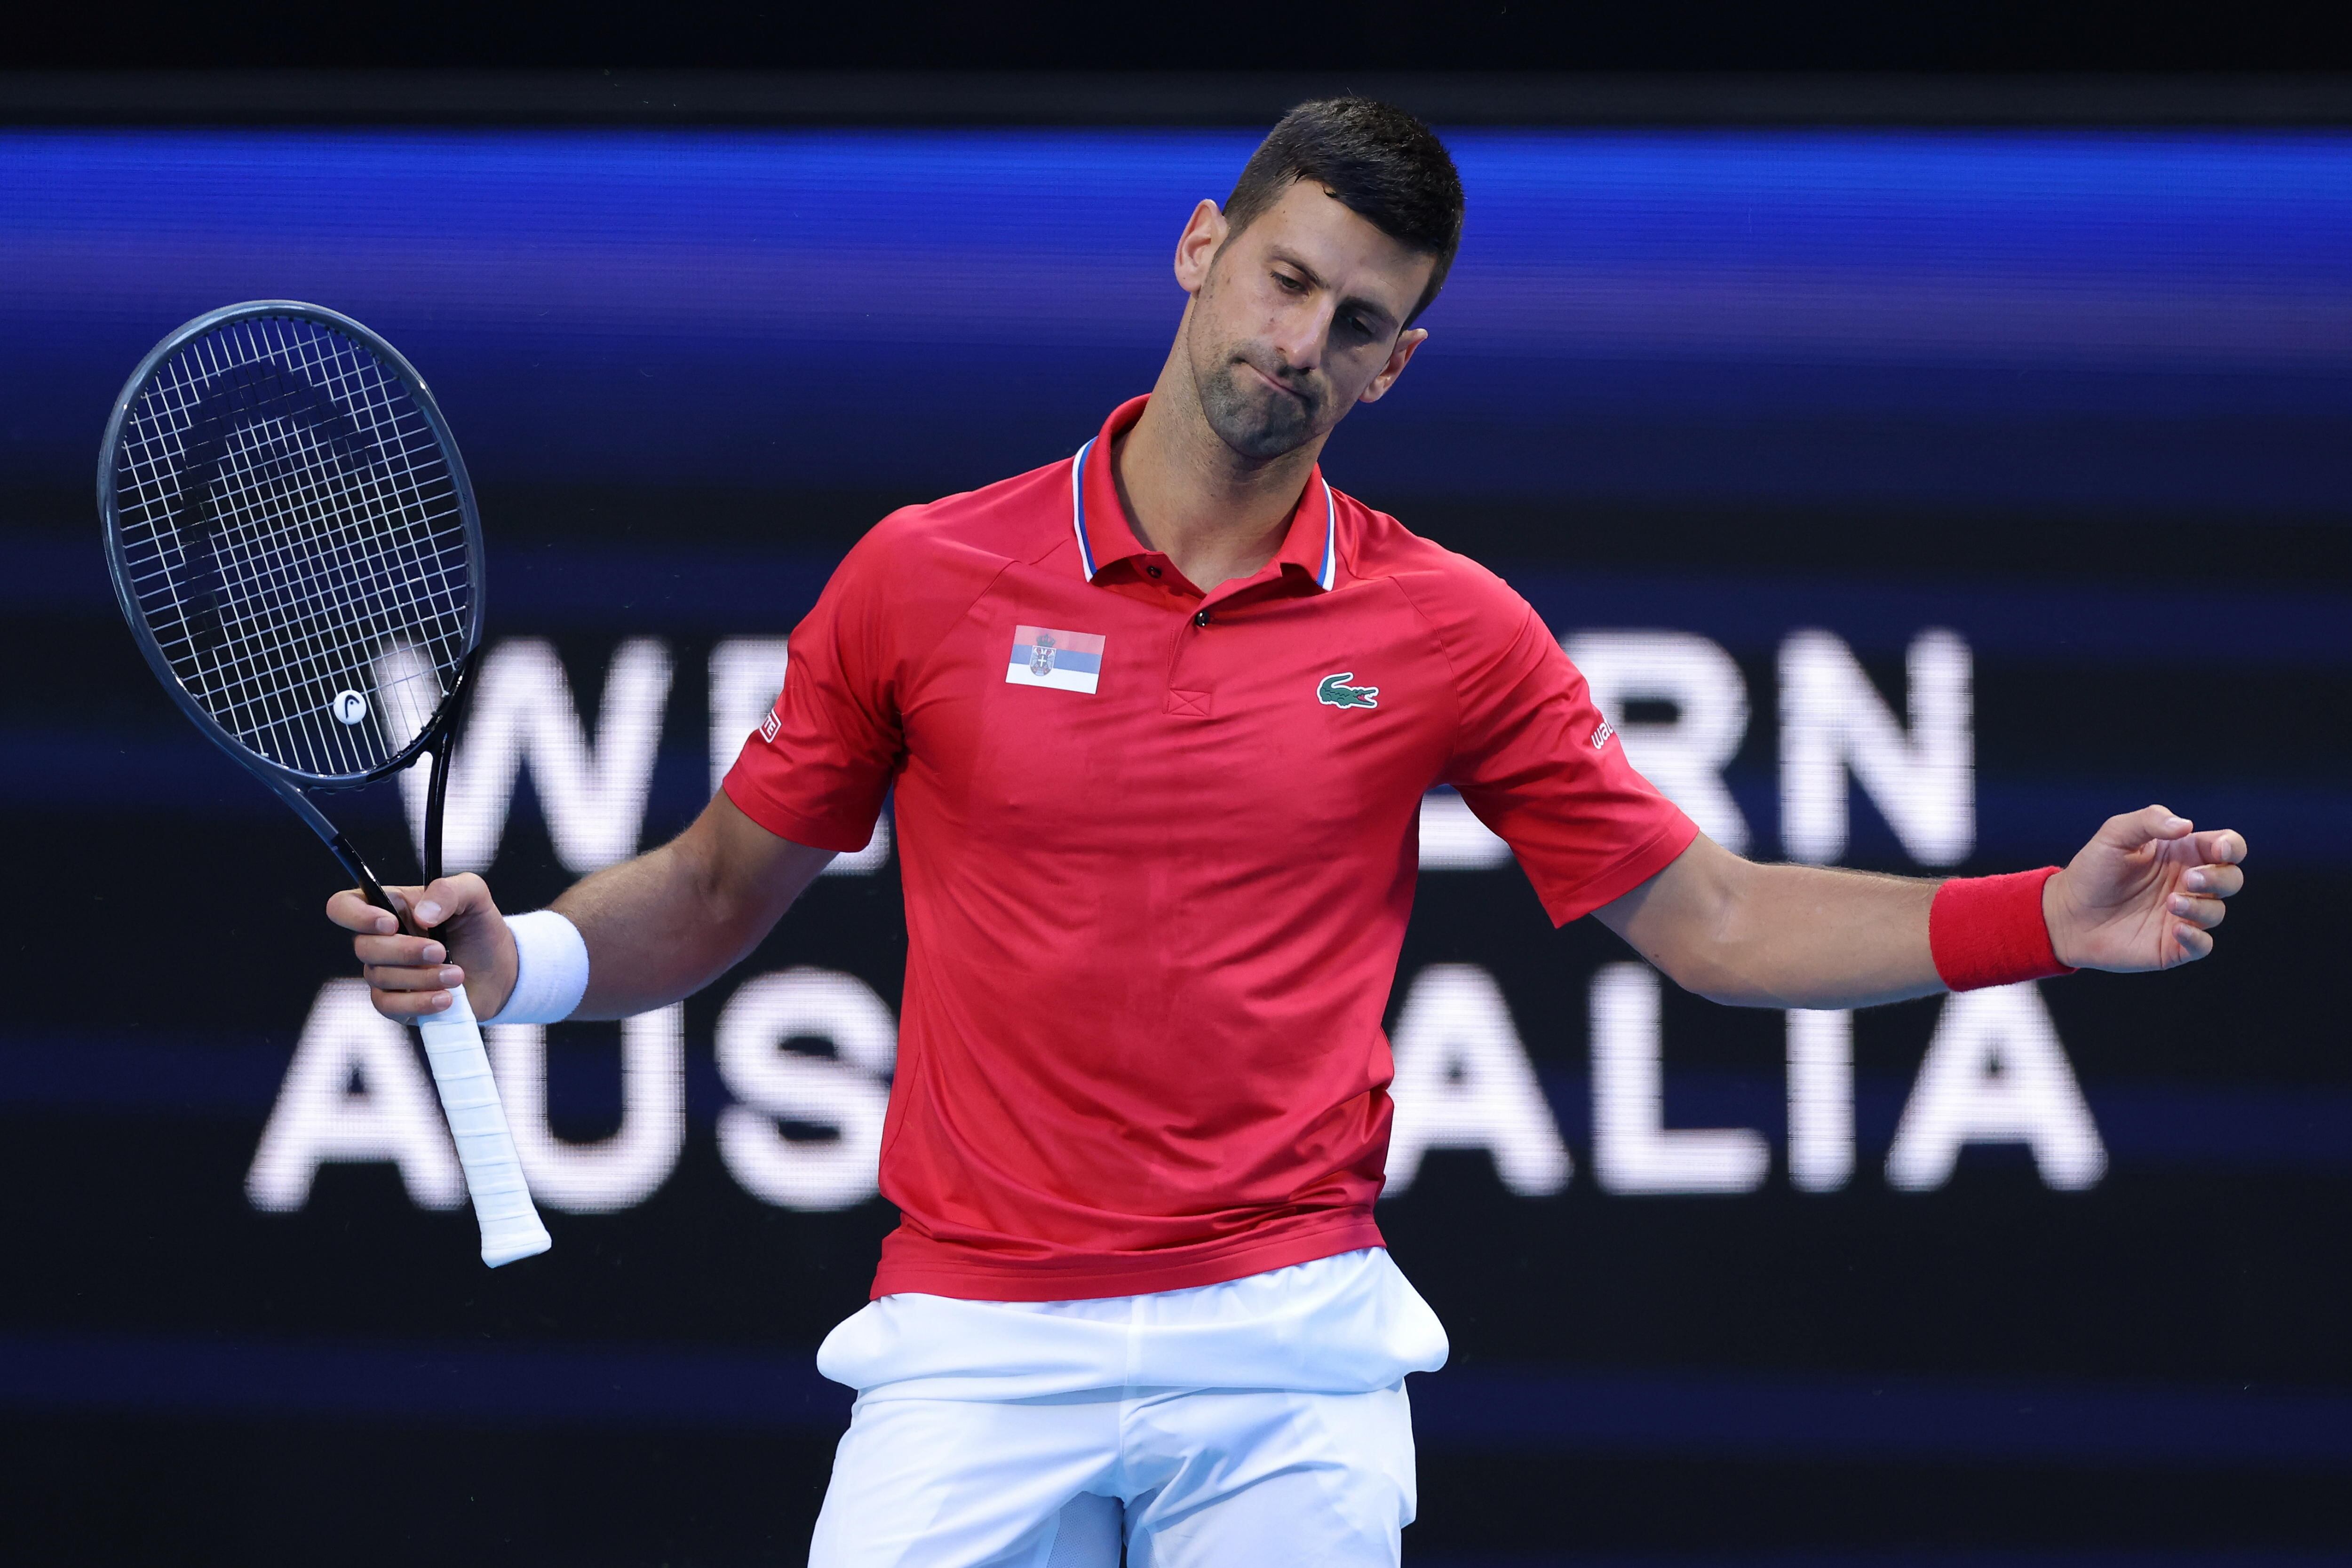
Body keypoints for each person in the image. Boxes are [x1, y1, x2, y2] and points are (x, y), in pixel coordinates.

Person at [330, 98, 2249, 1568]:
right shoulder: (924, 577)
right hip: (974, 1343)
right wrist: (527, 966)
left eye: (1361, 321)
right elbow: (714, 887)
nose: (1302, 338)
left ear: (1394, 365)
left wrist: (2038, 927)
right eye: (1285, 277)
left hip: (1289, 1348)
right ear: (1199, 247)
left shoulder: (1444, 629)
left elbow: (1718, 920)